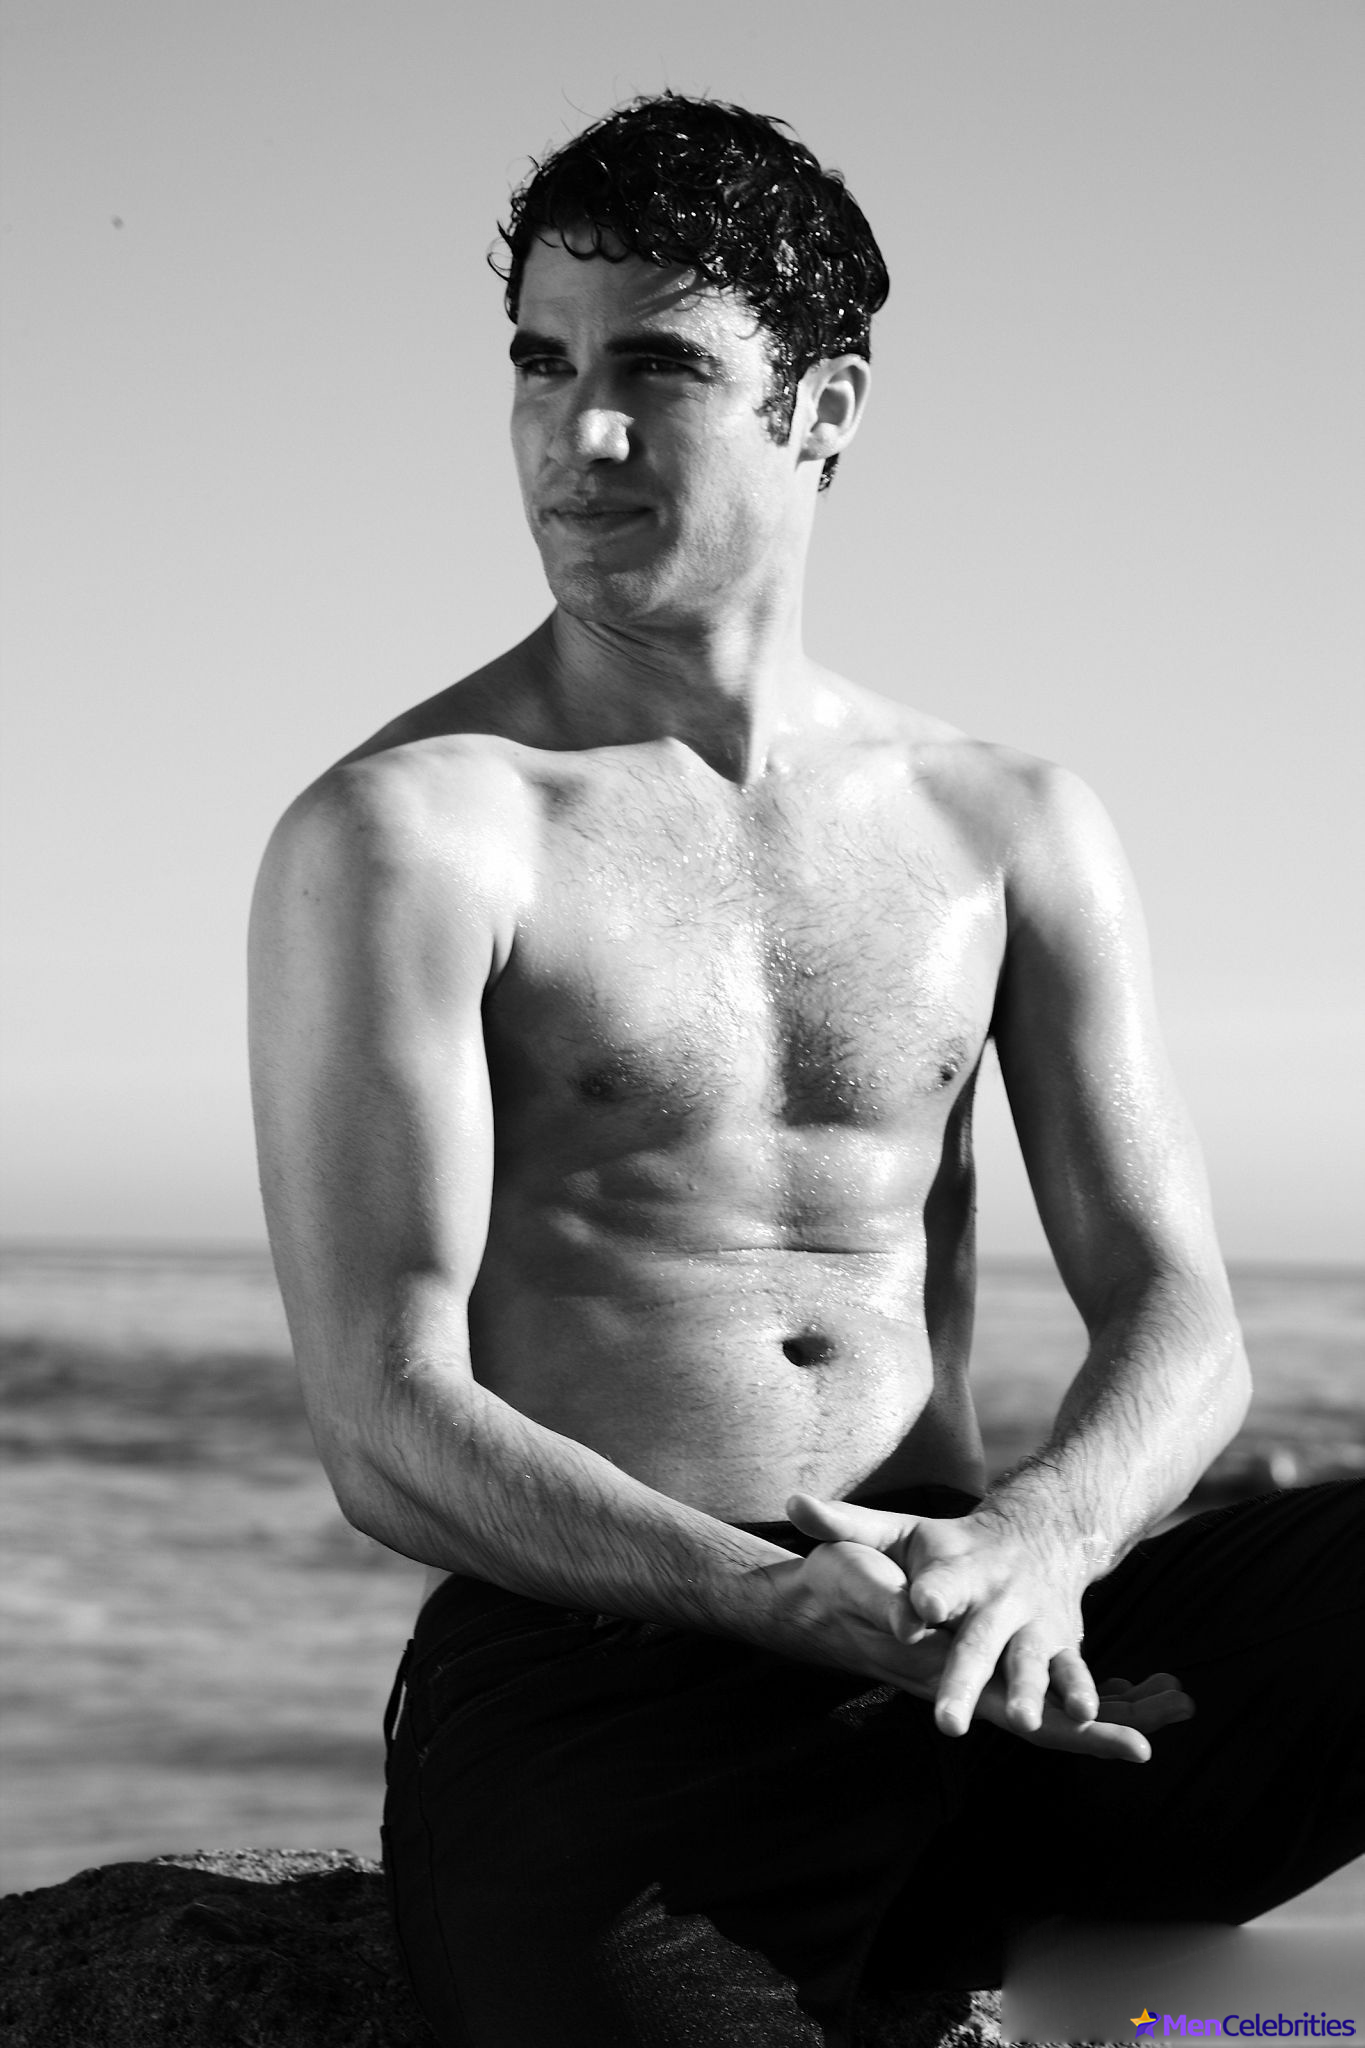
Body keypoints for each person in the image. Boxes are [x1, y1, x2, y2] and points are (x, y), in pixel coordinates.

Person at [248, 93, 1363, 2048]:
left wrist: (1038, 1546)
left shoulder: (1004, 823)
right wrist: (764, 1601)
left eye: (657, 368)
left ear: (822, 409)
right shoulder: (410, 835)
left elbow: (1177, 1316)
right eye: (540, 362)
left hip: (978, 1651)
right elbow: (385, 1417)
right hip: (614, 1677)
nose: (579, 435)